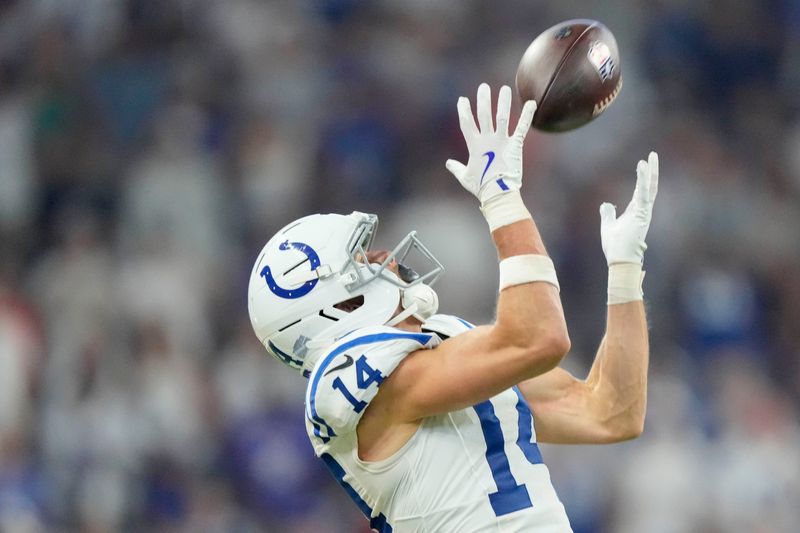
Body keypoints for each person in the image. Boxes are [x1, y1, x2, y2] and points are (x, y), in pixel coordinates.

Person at [247, 83, 659, 532]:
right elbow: (540, 338)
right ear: (332, 306)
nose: (384, 258)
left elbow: (611, 412)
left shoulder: (445, 348)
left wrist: (624, 274)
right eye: (362, 260)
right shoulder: (352, 381)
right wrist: (500, 195)